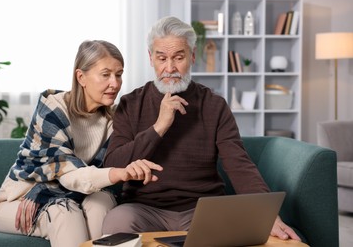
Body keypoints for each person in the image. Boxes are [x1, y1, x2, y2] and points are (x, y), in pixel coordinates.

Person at [102, 16, 301, 242]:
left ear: (192, 56)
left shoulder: (214, 105)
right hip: (143, 210)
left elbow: (238, 163)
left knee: (240, 227)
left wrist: (268, 215)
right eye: (162, 58)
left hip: (201, 209)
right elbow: (112, 164)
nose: (170, 68)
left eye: (179, 57)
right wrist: (159, 127)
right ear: (151, 59)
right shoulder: (131, 103)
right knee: (116, 221)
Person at [0, 40, 163, 247]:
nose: (115, 83)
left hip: (80, 194)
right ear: (81, 77)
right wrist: (120, 172)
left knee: (101, 205)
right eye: (106, 74)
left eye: (119, 74)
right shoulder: (53, 109)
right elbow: (69, 173)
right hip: (23, 198)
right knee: (65, 212)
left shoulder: (114, 120)